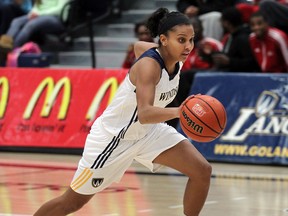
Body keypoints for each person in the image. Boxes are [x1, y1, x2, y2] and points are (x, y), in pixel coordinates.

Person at [34, 8, 212, 216]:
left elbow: (138, 46)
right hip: (114, 138)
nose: (189, 46)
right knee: (71, 203)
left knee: (202, 171)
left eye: (191, 39)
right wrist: (180, 112)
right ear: (164, 39)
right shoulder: (149, 67)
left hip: (147, 133)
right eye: (181, 40)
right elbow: (145, 114)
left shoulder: (172, 56)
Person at [0, 0, 69, 51]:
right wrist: (31, 14)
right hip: (40, 16)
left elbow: (59, 10)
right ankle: (5, 44)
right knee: (16, 21)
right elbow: (36, 7)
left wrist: (40, 14)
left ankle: (11, 49)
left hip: (56, 18)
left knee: (31, 24)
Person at [211, 6, 260, 72]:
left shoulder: (243, 39)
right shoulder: (231, 36)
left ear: (227, 23)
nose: (220, 24)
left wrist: (230, 62)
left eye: (221, 21)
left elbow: (252, 63)